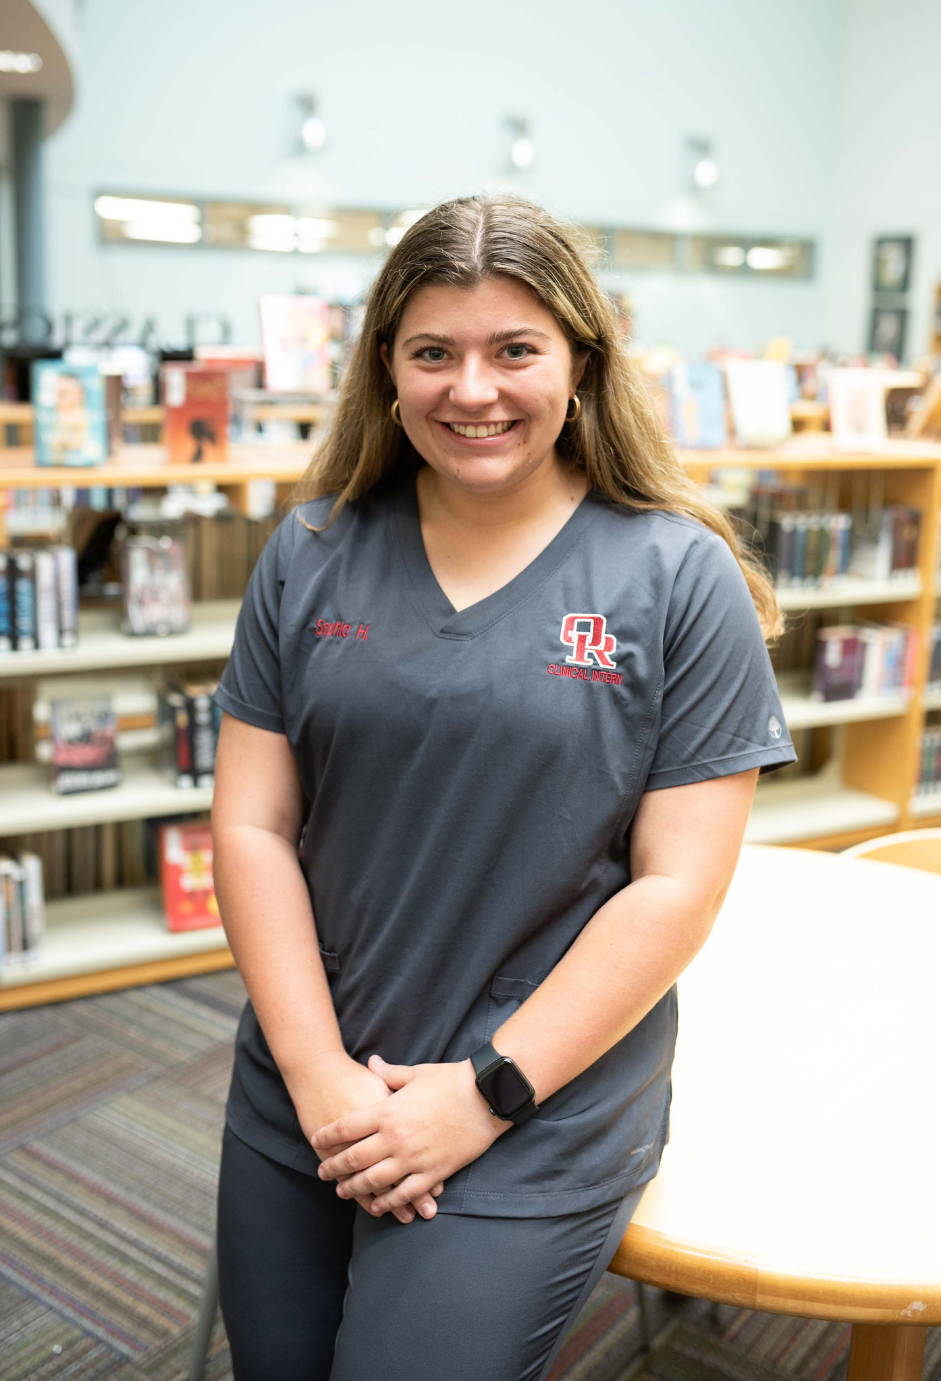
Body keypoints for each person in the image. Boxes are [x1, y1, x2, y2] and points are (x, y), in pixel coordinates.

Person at [210, 194, 797, 1381]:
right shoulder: (312, 548)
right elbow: (252, 824)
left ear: (579, 361)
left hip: (535, 1096)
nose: (470, 388)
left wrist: (481, 1096)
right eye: (433, 351)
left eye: (512, 349)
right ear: (386, 368)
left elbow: (675, 887)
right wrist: (319, 1073)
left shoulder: (678, 578)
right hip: (311, 1071)